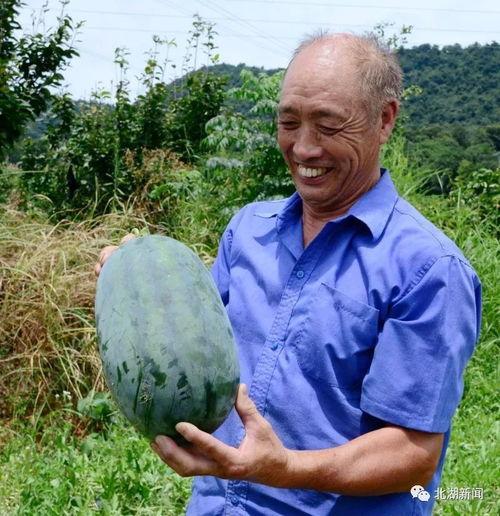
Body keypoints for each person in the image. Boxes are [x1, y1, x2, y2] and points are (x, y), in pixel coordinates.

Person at [95, 32, 481, 515]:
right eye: (288, 122)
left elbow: (413, 454)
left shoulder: (429, 270)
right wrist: (134, 285)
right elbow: (191, 350)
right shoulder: (247, 231)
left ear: (384, 120)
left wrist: (282, 468)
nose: (303, 147)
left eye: (328, 125)